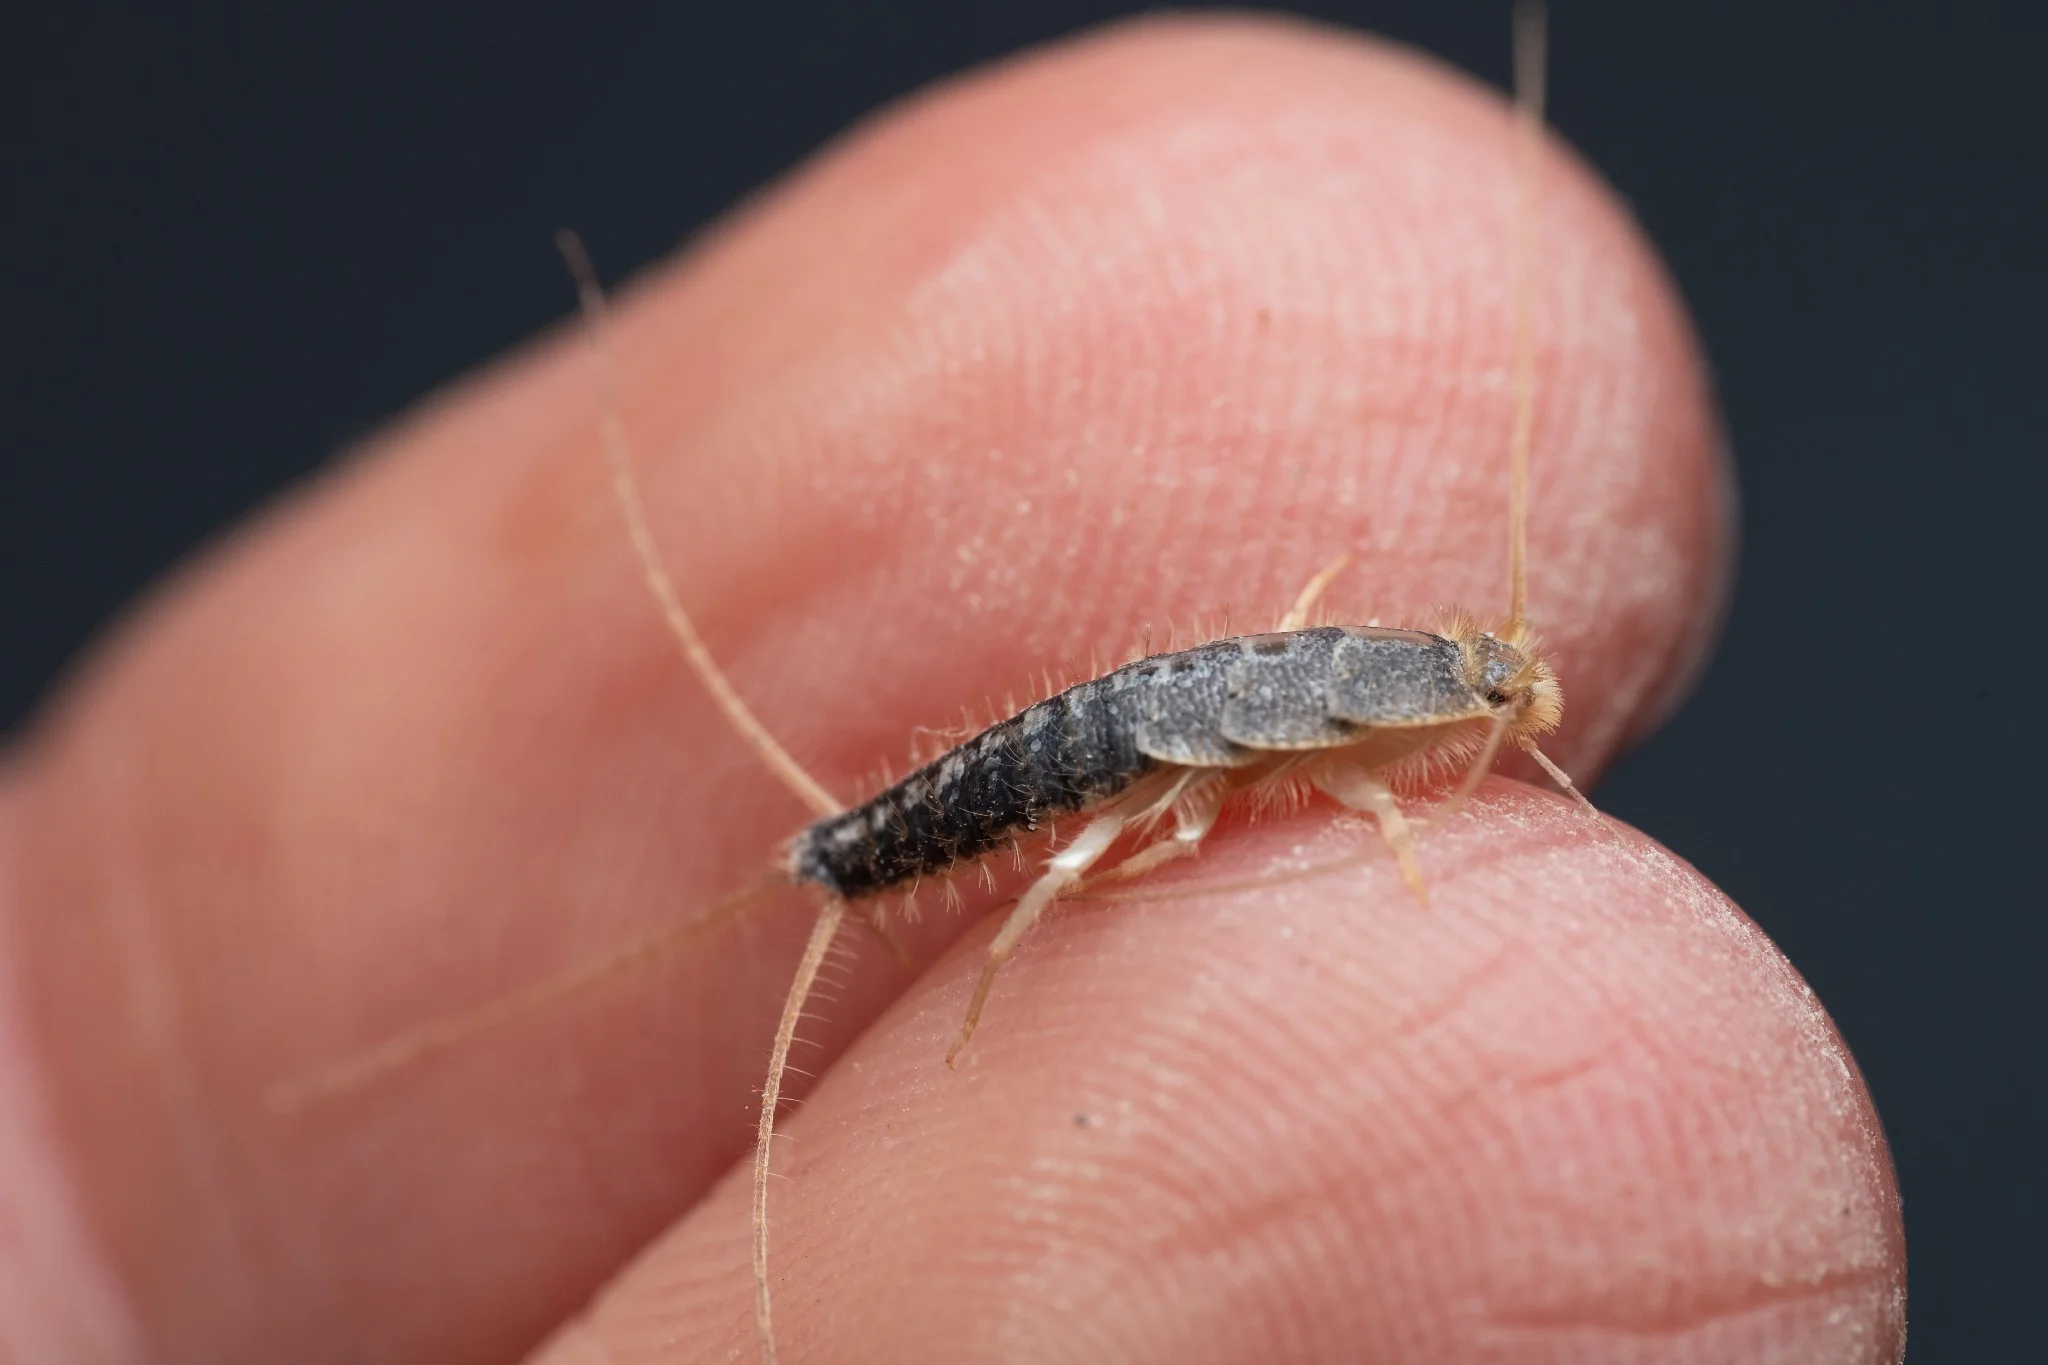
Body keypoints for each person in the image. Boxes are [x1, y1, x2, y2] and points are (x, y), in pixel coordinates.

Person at [0, 17, 1903, 1364]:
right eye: (1488, 687)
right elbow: (1307, 724)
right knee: (1032, 868)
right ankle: (847, 870)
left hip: (1142, 728)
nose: (1501, 696)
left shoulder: (1388, 702)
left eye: (1489, 689)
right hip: (1103, 752)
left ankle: (847, 872)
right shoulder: (1373, 731)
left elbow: (1316, 697)